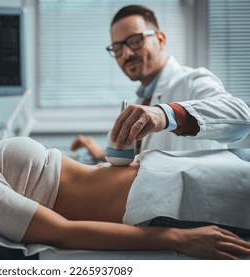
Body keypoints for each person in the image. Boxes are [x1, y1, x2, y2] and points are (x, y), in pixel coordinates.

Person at [0, 89, 250, 260]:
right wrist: (178, 238)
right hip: (168, 200)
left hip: (164, 179)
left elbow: (70, 183)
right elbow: (61, 230)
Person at [71, 4, 250, 161]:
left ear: (160, 39)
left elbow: (242, 118)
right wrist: (102, 155)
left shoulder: (191, 80)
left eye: (135, 41)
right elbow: (147, 159)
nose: (127, 54)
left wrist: (164, 115)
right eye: (117, 48)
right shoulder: (144, 100)